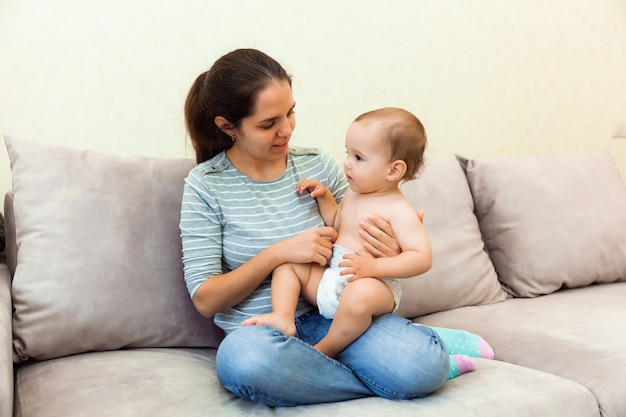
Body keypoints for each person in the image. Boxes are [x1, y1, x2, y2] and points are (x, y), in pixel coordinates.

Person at [180, 48, 493, 407]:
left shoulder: (318, 163)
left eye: (290, 112)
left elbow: (356, 231)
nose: (286, 130)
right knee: (243, 364)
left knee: (420, 366)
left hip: (340, 312)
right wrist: (278, 253)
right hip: (266, 334)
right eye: (268, 124)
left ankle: (333, 367)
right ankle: (381, 371)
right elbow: (206, 299)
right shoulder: (205, 185)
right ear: (227, 126)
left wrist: (385, 248)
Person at [242, 107, 432, 359]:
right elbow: (336, 224)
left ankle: (326, 349)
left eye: (359, 158)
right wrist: (324, 197)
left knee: (359, 295)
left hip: (375, 285)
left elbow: (421, 257)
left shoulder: (399, 209)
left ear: (393, 171)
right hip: (331, 279)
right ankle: (283, 316)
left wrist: (374, 268)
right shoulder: (354, 193)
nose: (347, 163)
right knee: (288, 266)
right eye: (348, 153)